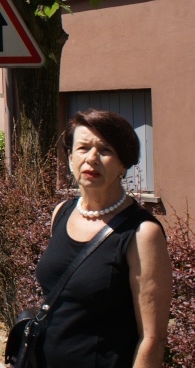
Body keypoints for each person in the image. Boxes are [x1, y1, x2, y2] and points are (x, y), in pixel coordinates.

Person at [34, 109, 171, 367]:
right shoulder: (61, 213)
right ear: (71, 157)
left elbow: (152, 338)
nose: (92, 158)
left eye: (105, 150)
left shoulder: (142, 233)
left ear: (123, 163)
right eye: (83, 148)